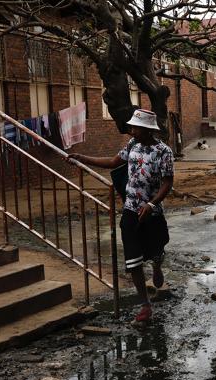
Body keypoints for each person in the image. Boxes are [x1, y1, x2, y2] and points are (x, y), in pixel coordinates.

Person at [68, 109, 174, 324]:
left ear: (146, 129)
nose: (131, 130)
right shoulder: (132, 145)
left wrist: (152, 204)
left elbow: (167, 182)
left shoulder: (164, 151)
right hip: (130, 210)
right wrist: (83, 158)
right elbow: (114, 162)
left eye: (135, 127)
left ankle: (156, 264)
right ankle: (145, 306)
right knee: (133, 260)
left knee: (155, 249)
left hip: (151, 212)